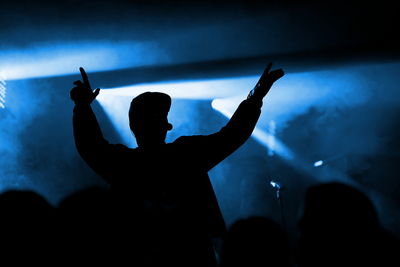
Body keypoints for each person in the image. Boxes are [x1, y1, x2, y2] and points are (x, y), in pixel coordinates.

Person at [70, 63, 284, 266]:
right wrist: (255, 97)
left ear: (134, 126)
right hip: (191, 256)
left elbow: (90, 146)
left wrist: (82, 108)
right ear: (166, 126)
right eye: (154, 118)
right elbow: (232, 135)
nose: (155, 124)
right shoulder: (186, 154)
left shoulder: (124, 163)